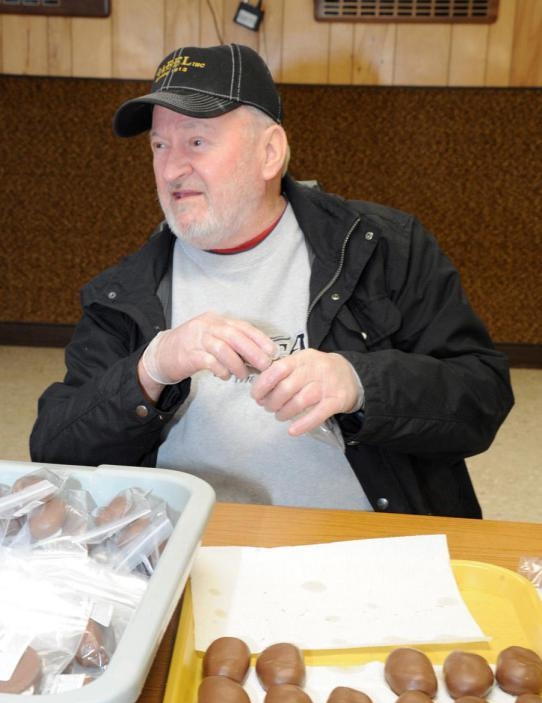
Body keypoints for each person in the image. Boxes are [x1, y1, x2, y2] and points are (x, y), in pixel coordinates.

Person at [30, 43, 514, 517]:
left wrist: (360, 384)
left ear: (270, 153)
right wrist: (149, 369)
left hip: (367, 544)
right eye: (160, 145)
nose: (171, 168)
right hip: (197, 548)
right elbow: (55, 448)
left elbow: (482, 398)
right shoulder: (124, 291)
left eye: (196, 141)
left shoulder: (383, 247)